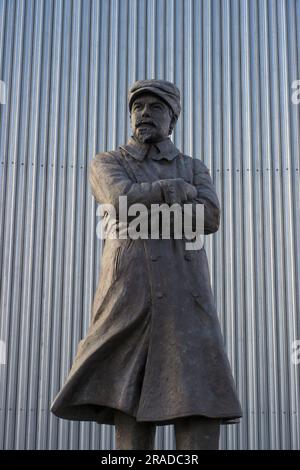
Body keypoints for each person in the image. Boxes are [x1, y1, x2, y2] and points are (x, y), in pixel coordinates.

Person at [51, 79, 242, 450]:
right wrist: (177, 193)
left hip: (187, 298)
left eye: (155, 108)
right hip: (129, 295)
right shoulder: (108, 161)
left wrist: (145, 208)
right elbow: (121, 201)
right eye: (137, 108)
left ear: (172, 119)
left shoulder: (193, 165)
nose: (143, 114)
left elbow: (210, 216)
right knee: (130, 404)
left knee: (199, 403)